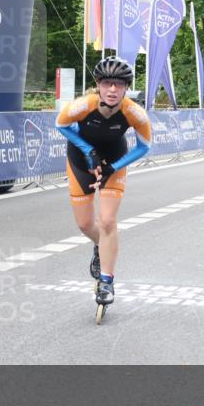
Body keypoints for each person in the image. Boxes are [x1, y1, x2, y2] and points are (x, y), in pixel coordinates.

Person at [56, 57, 152, 307]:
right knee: (86, 224)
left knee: (108, 221)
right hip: (80, 158)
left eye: (119, 85)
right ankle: (101, 246)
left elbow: (144, 147)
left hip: (114, 159)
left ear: (126, 88)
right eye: (108, 83)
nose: (112, 89)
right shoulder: (82, 105)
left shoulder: (134, 112)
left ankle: (107, 281)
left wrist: (113, 167)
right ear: (98, 84)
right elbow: (61, 124)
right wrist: (88, 150)